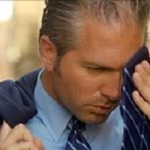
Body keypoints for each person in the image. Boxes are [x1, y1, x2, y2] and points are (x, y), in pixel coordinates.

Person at [0, 0, 150, 149]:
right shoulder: (6, 127)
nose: (115, 93)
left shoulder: (140, 122)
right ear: (49, 52)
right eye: (97, 69)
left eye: (127, 69)